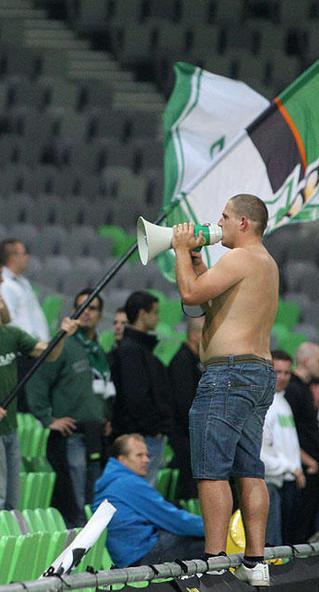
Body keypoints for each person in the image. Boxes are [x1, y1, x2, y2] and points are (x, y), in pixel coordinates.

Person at [173, 193, 278, 585]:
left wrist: (180, 251)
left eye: (225, 216)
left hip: (229, 374)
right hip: (258, 372)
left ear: (243, 223)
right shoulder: (265, 262)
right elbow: (214, 309)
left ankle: (214, 562)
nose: (218, 223)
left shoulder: (239, 258)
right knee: (250, 469)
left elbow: (189, 296)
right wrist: (199, 266)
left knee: (211, 470)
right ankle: (255, 561)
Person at [0, 278, 78, 511]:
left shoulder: (11, 334)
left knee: (12, 501)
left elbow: (49, 354)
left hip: (10, 427)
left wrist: (63, 334)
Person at [26, 289, 109, 526]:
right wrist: (47, 418)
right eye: (81, 308)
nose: (86, 313)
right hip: (71, 435)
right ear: (73, 311)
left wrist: (105, 416)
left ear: (100, 315)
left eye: (92, 308)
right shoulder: (62, 345)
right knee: (76, 503)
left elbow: (102, 388)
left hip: (95, 434)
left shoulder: (97, 348)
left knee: (93, 501)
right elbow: (37, 381)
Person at [94, 434, 205, 567]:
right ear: (122, 459)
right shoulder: (127, 483)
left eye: (147, 455)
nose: (146, 460)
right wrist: (214, 529)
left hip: (131, 553)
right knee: (210, 545)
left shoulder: (113, 481)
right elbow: (173, 519)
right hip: (141, 557)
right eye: (139, 455)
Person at [111, 290, 173, 485]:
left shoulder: (139, 349)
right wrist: (153, 427)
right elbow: (135, 396)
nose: (158, 318)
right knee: (139, 492)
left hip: (146, 434)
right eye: (155, 312)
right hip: (143, 436)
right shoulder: (131, 351)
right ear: (142, 314)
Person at [261, 350, 304, 546]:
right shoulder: (264, 404)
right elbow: (261, 452)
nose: (282, 377)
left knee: (285, 544)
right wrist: (290, 468)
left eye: (287, 373)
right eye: (277, 372)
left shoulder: (283, 402)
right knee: (273, 545)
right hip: (271, 482)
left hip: (288, 481)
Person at [168, 316, 204, 500]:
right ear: (195, 335)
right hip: (185, 441)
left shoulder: (197, 362)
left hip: (193, 440)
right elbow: (185, 405)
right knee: (188, 492)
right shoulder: (182, 362)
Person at [287, 342, 319, 543]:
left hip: (310, 466)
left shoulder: (305, 389)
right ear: (307, 361)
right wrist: (308, 461)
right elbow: (288, 433)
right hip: (301, 468)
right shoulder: (293, 389)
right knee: (296, 523)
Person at [0, 239, 49, 342]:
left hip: (36, 343)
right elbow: (9, 321)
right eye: (24, 254)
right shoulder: (4, 284)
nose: (27, 257)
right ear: (13, 257)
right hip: (22, 345)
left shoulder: (23, 282)